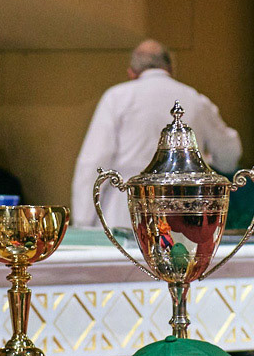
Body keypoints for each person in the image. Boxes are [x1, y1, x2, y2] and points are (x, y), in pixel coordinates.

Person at [71, 39, 242, 228]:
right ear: (171, 69)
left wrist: (83, 223)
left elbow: (93, 163)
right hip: (184, 212)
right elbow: (229, 153)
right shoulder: (194, 99)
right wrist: (210, 161)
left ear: (131, 73)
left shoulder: (117, 98)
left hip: (125, 212)